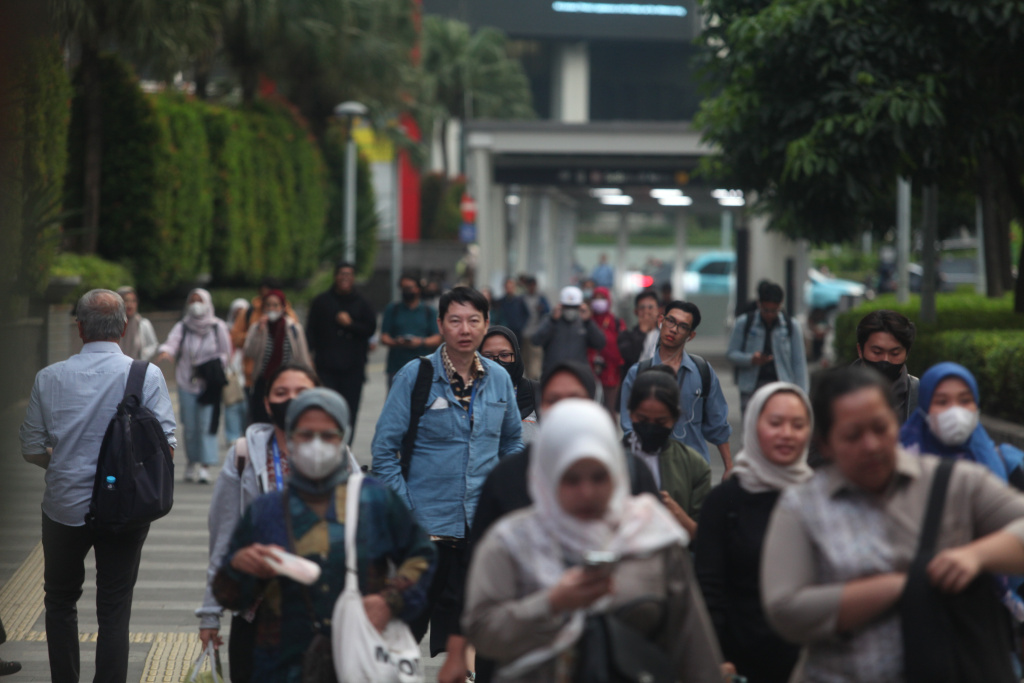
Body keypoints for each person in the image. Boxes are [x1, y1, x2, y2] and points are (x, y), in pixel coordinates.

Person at [761, 366, 1024, 683]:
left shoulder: (954, 482)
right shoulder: (802, 506)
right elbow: (786, 609)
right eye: (853, 435)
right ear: (825, 443)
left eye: (880, 427)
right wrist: (905, 585)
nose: (871, 445)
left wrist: (976, 555)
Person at [462, 399, 725, 683]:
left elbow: (692, 645)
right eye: (571, 479)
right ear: (547, 476)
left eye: (599, 477)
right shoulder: (511, 541)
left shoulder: (651, 536)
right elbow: (482, 631)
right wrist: (552, 603)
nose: (587, 492)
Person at [438, 359, 660, 683]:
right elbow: (476, 575)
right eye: (553, 400)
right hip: (517, 651)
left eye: (576, 398)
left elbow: (668, 581)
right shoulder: (508, 477)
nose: (564, 409)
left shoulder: (629, 473)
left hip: (615, 654)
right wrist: (458, 652)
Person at [212, 388, 436, 682]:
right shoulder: (266, 511)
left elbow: (421, 555)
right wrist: (239, 569)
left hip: (360, 660)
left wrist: (389, 601)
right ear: (290, 439)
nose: (316, 445)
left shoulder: (375, 500)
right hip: (282, 664)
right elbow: (233, 597)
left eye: (328, 435)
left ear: (343, 439)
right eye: (306, 435)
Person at [20, 289, 176, 683]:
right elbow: (167, 447)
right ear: (124, 327)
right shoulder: (146, 375)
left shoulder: (48, 377)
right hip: (125, 510)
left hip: (63, 508)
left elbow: (31, 448)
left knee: (59, 601)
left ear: (79, 328)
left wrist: (63, 465)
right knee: (114, 607)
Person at [371, 286, 524, 658]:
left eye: (474, 320)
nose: (465, 329)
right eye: (455, 320)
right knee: (399, 637)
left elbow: (513, 442)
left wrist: (500, 495)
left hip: (477, 535)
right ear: (440, 325)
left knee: (467, 642)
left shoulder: (500, 379)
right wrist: (408, 512)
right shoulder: (416, 375)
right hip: (423, 538)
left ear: (486, 324)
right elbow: (383, 451)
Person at [195, 363, 319, 683]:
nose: (291, 400)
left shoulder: (337, 456)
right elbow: (223, 536)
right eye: (281, 393)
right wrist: (210, 614)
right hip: (256, 611)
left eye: (301, 393)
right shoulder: (244, 455)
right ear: (266, 402)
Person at [694, 382, 811, 683]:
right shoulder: (724, 501)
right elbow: (710, 589)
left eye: (797, 424)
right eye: (775, 423)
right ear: (753, 424)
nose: (786, 433)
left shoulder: (819, 498)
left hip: (811, 661)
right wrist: (716, 659)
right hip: (739, 663)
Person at [899, 361, 1024, 621]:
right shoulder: (897, 466)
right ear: (923, 407)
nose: (955, 412)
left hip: (991, 621)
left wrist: (979, 555)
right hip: (915, 618)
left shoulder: (1005, 463)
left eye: (965, 400)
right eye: (942, 402)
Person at [620, 300, 734, 472]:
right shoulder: (638, 373)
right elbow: (629, 426)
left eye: (682, 326)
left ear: (691, 335)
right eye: (671, 321)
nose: (673, 329)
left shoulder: (702, 371)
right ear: (661, 321)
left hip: (694, 468)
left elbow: (718, 424)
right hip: (650, 468)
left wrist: (728, 466)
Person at [625, 365, 711, 537]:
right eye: (642, 419)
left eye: (660, 421)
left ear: (675, 418)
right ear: (631, 414)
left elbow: (706, 540)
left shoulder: (694, 465)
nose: (650, 427)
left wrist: (678, 515)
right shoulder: (609, 459)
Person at [155, 288, 231, 484]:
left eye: (200, 300)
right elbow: (172, 342)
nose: (196, 304)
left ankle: (205, 466)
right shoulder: (183, 326)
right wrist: (166, 352)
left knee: (207, 425)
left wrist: (213, 366)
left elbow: (226, 352)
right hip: (186, 381)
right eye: (192, 301)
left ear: (207, 303)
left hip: (209, 384)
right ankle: (192, 461)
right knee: (189, 426)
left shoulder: (217, 326)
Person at [305, 262, 377, 440]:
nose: (345, 278)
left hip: (353, 368)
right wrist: (309, 358)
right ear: (335, 276)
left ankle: (345, 449)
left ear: (353, 278)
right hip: (325, 367)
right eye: (341, 274)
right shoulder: (321, 301)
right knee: (326, 409)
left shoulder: (363, 303)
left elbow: (370, 329)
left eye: (349, 275)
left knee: (349, 411)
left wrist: (350, 324)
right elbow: (310, 331)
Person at [728, 280, 808, 416]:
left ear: (780, 305)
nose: (770, 314)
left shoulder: (791, 325)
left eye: (774, 311)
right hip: (751, 386)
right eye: (766, 310)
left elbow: (799, 362)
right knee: (751, 428)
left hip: (781, 385)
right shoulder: (744, 322)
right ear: (759, 304)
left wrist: (801, 394)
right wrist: (751, 359)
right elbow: (731, 353)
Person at [242, 289, 311, 424]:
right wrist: (259, 331)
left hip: (287, 382)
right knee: (261, 420)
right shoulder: (257, 328)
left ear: (283, 307)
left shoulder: (293, 328)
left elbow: (302, 355)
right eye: (268, 305)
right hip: (263, 382)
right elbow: (250, 352)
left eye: (275, 305)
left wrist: (308, 379)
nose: (272, 308)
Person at [229, 278, 299, 400]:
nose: (271, 307)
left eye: (275, 303)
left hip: (284, 377)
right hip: (255, 376)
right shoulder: (250, 314)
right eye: (267, 299)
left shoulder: (290, 319)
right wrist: (256, 334)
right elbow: (237, 339)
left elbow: (298, 348)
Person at [853, 309, 919, 423]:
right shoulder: (835, 393)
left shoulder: (918, 394)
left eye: (895, 353)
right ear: (860, 350)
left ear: (907, 353)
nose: (885, 360)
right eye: (877, 352)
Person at [480, 326, 540, 443]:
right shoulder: (468, 397)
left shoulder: (535, 393)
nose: (496, 362)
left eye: (504, 355)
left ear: (516, 355)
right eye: (487, 356)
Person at [380, 274, 441, 389]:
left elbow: (437, 338)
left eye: (410, 288)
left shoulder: (429, 311)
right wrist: (397, 342)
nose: (406, 291)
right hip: (397, 367)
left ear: (418, 289)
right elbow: (384, 337)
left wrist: (420, 342)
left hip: (422, 367)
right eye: (404, 288)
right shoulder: (393, 309)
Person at [531, 285, 606, 377]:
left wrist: (588, 322)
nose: (570, 310)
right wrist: (552, 321)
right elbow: (536, 341)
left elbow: (600, 343)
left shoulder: (584, 323)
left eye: (574, 307)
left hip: (578, 375)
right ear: (561, 305)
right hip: (553, 375)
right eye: (567, 307)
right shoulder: (551, 320)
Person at [587, 286, 626, 417]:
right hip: (588, 373)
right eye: (595, 298)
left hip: (611, 373)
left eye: (602, 298)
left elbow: (621, 349)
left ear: (608, 300)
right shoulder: (586, 321)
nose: (598, 302)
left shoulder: (616, 323)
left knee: (609, 412)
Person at [223, 298, 251, 444]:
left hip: (247, 373)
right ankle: (232, 437)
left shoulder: (254, 330)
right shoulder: (224, 331)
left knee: (247, 406)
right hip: (231, 372)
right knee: (232, 404)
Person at [617, 288, 660, 372]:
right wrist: (641, 332)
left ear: (658, 310)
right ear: (636, 311)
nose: (646, 311)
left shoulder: (664, 336)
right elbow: (629, 357)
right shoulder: (626, 336)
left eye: (650, 307)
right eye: (642, 308)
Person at [519, 275, 550, 380]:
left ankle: (534, 378)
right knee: (525, 357)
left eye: (533, 285)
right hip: (525, 333)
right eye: (529, 285)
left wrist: (542, 309)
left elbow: (547, 313)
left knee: (536, 356)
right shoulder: (522, 298)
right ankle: (527, 377)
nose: (531, 287)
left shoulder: (541, 298)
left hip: (537, 332)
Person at [116, 285, 158, 361]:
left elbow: (153, 345)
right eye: (126, 301)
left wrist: (144, 353)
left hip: (137, 366)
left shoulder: (143, 324)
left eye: (133, 301)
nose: (130, 305)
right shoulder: (114, 324)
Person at [492, 277, 530, 343]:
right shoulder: (500, 302)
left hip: (517, 332)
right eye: (507, 287)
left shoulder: (520, 301)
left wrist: (520, 326)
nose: (509, 289)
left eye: (511, 286)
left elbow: (527, 314)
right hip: (504, 331)